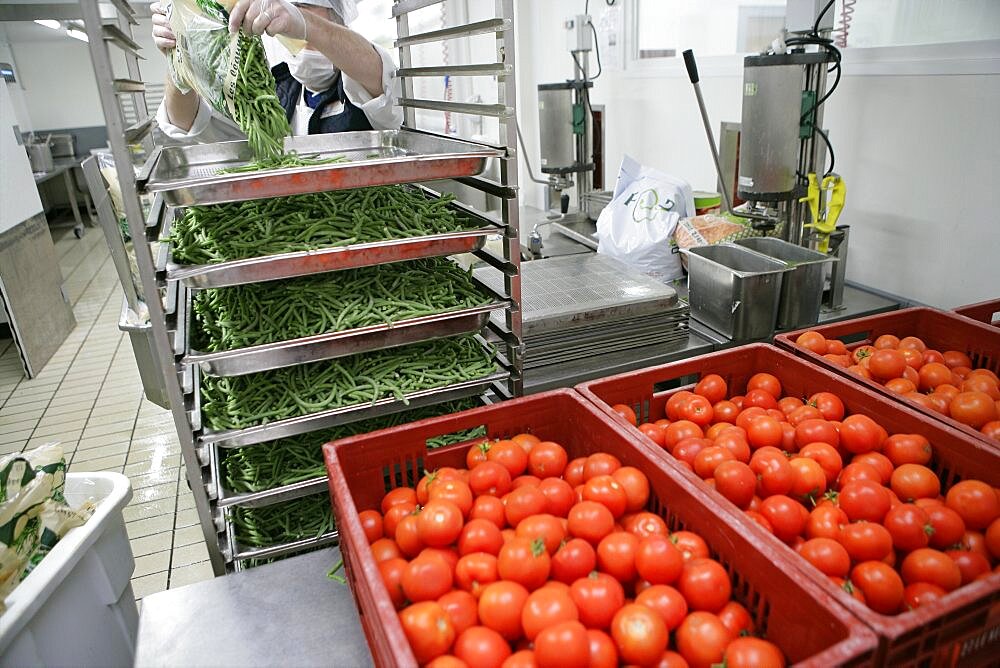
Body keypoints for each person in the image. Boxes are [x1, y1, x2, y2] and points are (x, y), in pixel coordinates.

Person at [151, 0, 402, 144]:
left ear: (337, 19)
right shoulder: (272, 88)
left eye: (305, 7)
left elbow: (378, 71)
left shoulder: (360, 81)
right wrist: (178, 61)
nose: (292, 34)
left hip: (364, 225)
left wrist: (308, 25)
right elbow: (187, 123)